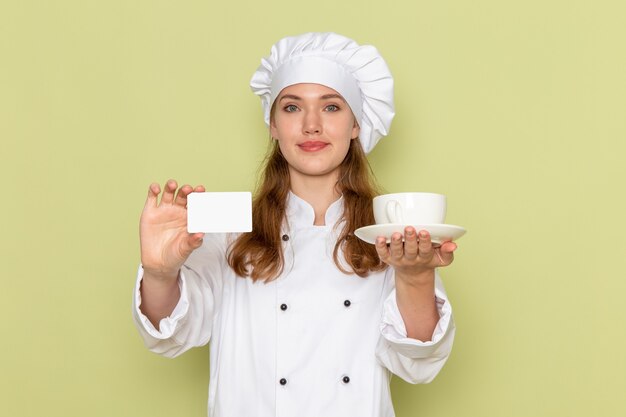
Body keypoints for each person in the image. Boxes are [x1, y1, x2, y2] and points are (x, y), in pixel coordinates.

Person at [133, 32, 457, 417]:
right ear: (272, 124)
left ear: (357, 124)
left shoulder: (388, 233)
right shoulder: (228, 224)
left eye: (332, 107)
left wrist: (416, 277)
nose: (311, 125)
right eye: (291, 108)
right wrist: (159, 274)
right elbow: (173, 333)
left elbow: (418, 362)